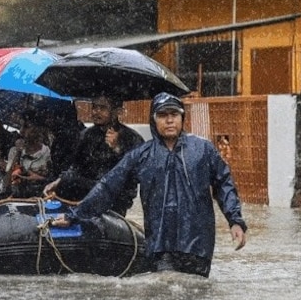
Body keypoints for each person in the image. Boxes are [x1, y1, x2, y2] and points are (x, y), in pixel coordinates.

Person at [53, 93, 247, 277]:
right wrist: (75, 215)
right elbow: (108, 187)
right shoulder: (141, 155)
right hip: (160, 245)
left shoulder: (203, 150)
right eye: (163, 115)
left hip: (198, 244)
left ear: (182, 118)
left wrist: (235, 220)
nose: (169, 120)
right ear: (154, 120)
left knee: (195, 295)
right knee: (164, 293)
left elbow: (224, 184)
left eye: (174, 115)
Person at [44, 95, 144, 215]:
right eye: (94, 107)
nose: (96, 112)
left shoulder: (132, 138)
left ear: (118, 112)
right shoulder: (86, 135)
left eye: (102, 108)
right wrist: (58, 181)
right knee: (62, 185)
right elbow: (76, 166)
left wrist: (117, 149)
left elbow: (136, 175)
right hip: (86, 190)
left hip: (116, 195)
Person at [4, 115, 52, 198]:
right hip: (18, 198)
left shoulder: (47, 152)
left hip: (40, 198)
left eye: (26, 127)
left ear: (38, 129)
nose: (21, 131)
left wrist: (40, 179)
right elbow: (6, 184)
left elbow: (53, 181)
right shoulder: (14, 151)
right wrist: (18, 153)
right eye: (20, 126)